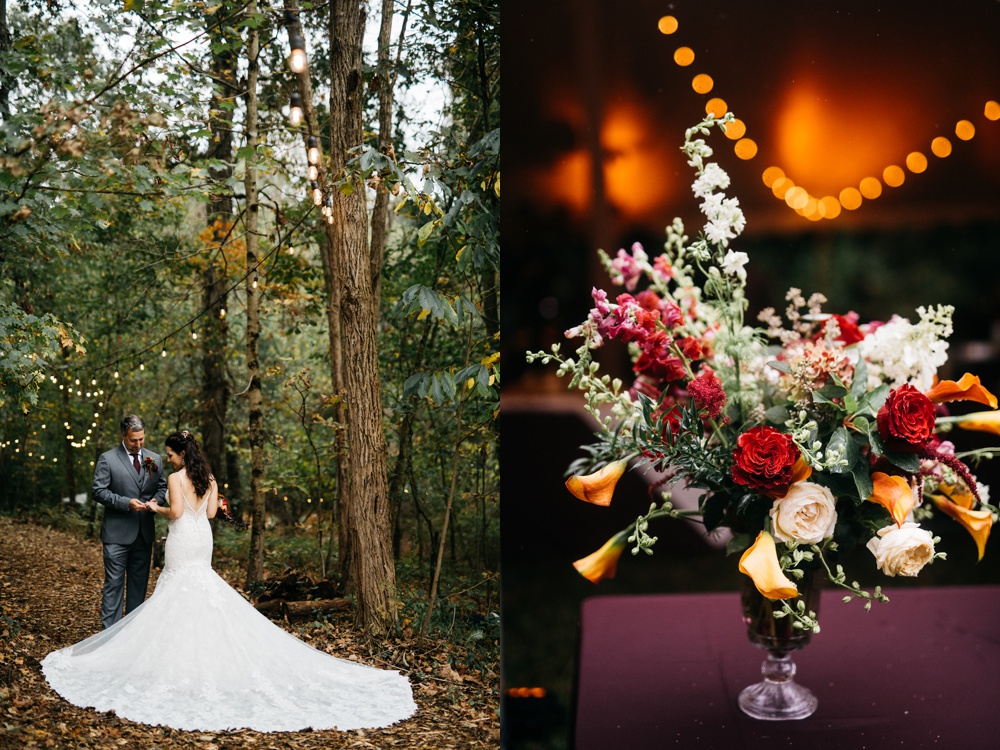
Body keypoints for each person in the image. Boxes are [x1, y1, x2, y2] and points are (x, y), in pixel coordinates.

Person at [41, 430, 416, 732]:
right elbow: (209, 512)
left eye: (170, 454)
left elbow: (174, 512)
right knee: (197, 590)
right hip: (202, 538)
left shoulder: (174, 478)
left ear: (179, 455)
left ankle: (179, 659)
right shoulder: (210, 479)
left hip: (182, 538)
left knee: (176, 590)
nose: (166, 458)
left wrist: (154, 507)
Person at [91, 414, 167, 630]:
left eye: (142, 439)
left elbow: (162, 487)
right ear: (123, 435)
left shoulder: (155, 459)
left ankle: (130, 636)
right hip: (116, 534)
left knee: (138, 587)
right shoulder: (108, 459)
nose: (138, 444)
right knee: (114, 585)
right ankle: (109, 637)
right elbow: (98, 491)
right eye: (134, 440)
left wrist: (156, 500)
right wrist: (126, 502)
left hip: (143, 534)